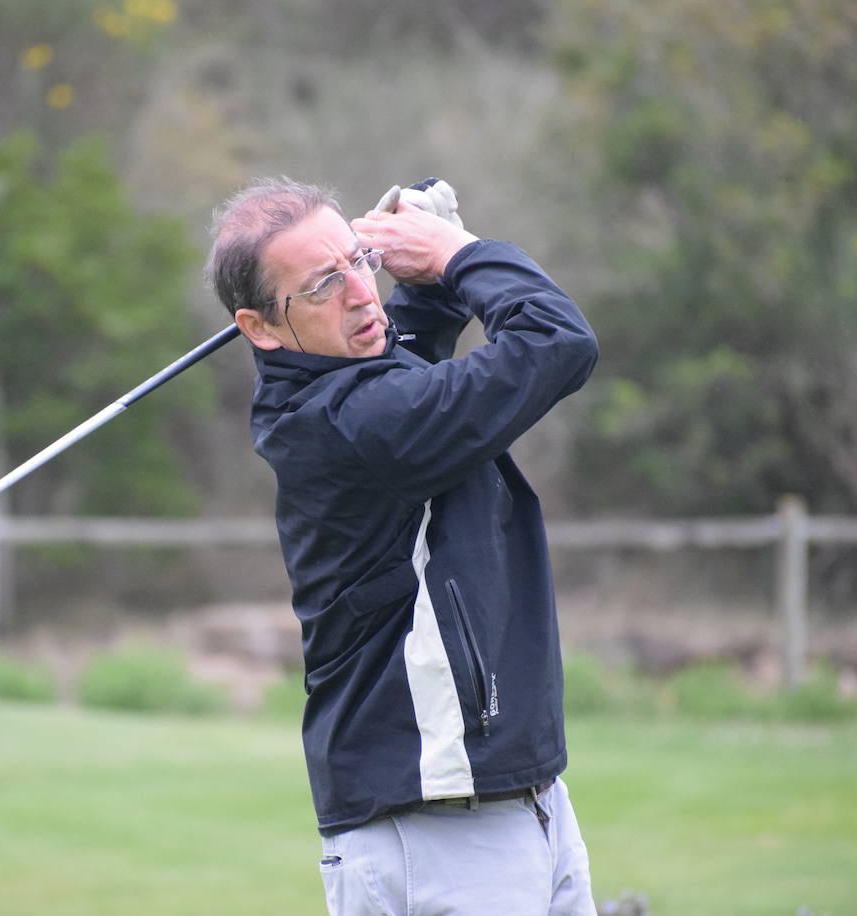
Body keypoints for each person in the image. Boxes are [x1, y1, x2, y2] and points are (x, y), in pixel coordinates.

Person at [205, 176, 600, 916]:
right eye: (325, 283)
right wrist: (460, 254)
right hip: (438, 832)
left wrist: (427, 259)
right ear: (259, 328)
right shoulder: (364, 422)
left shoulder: (353, 385)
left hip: (513, 805)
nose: (360, 293)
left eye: (362, 261)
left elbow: (405, 343)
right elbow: (556, 340)